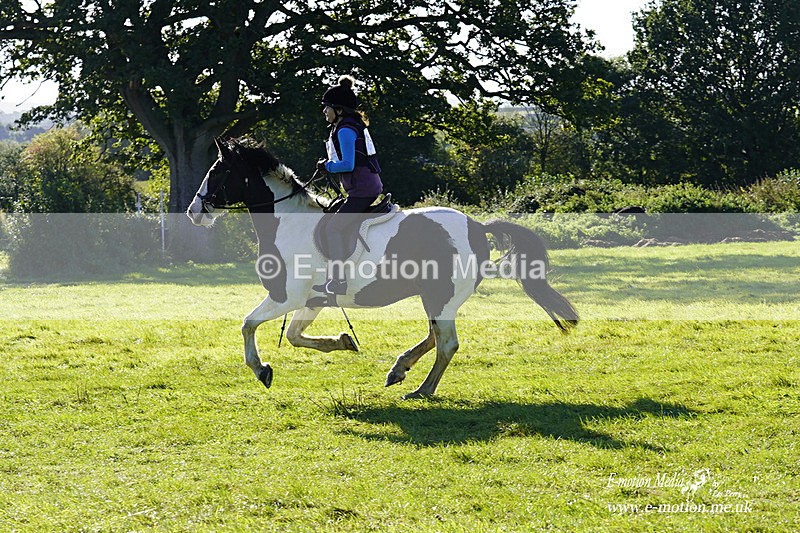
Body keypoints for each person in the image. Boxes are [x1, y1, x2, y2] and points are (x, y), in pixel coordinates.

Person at [312, 75, 384, 298]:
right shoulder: (348, 126)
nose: (325, 111)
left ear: (339, 110)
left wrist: (327, 166)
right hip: (364, 187)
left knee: (333, 228)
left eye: (328, 107)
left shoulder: (344, 130)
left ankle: (338, 280)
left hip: (363, 189)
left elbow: (347, 164)